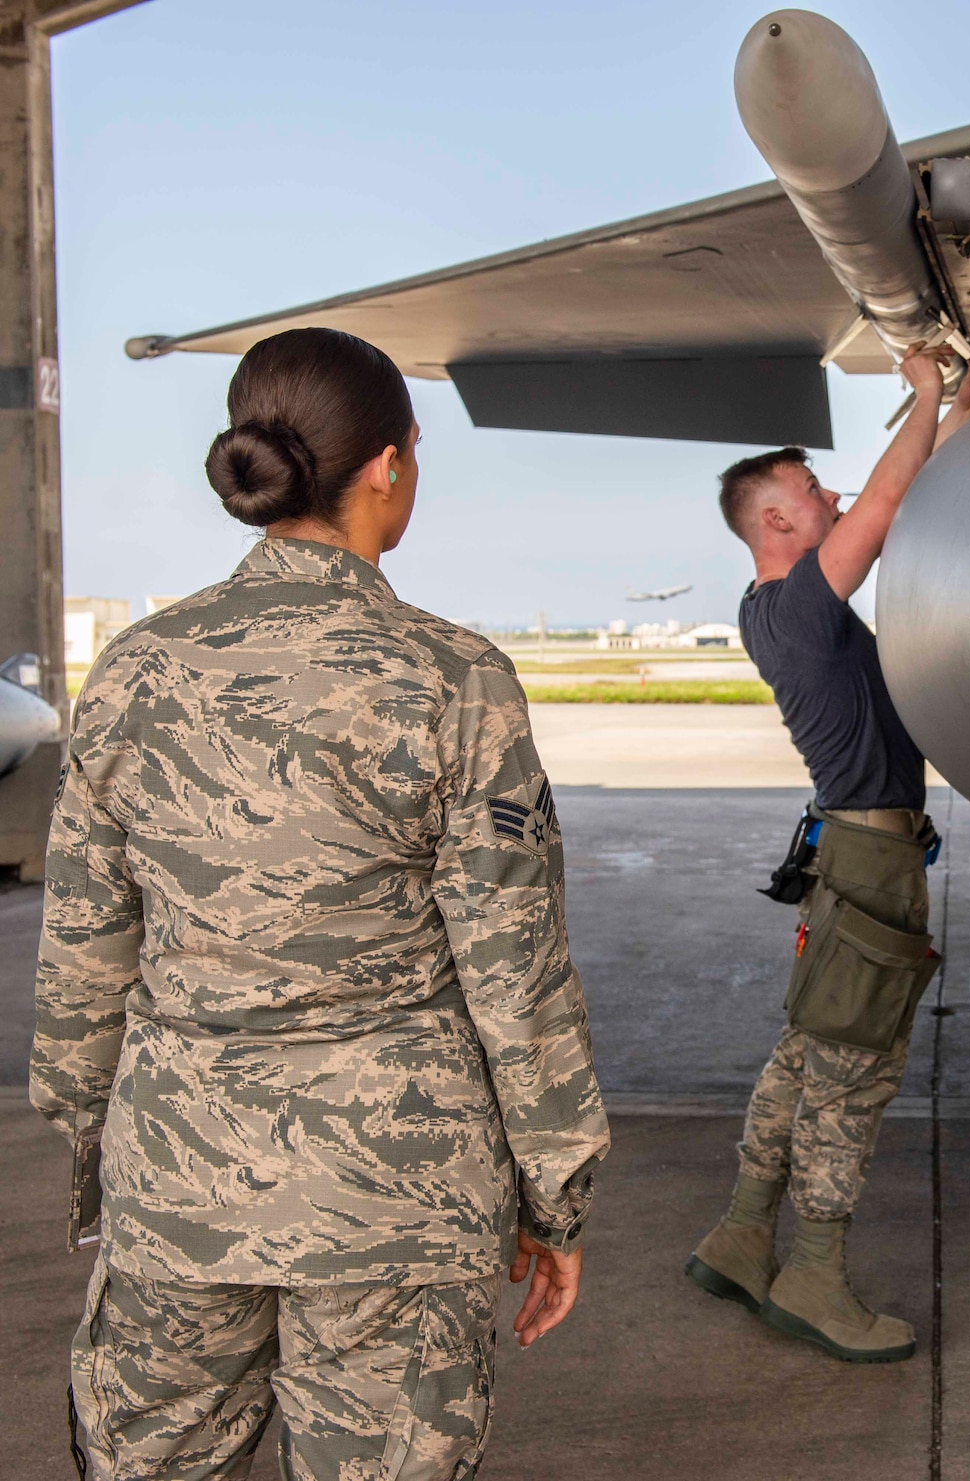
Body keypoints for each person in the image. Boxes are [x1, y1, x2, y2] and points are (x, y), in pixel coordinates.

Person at [33, 327, 610, 1479]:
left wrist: (105, 1148)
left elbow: (83, 961)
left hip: (179, 1179)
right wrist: (556, 1193)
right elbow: (515, 973)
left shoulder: (137, 672)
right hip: (394, 1198)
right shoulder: (451, 677)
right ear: (388, 465)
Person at [686, 349, 970, 1363]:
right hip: (868, 861)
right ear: (776, 522)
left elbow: (896, 503)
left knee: (802, 1051)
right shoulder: (806, 605)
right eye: (811, 490)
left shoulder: (773, 608)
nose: (830, 494)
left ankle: (740, 1235)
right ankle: (814, 1274)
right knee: (851, 1073)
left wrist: (960, 410)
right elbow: (891, 496)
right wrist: (918, 394)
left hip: (847, 851)